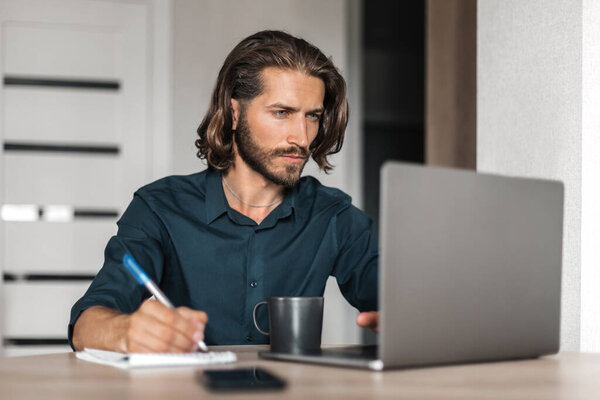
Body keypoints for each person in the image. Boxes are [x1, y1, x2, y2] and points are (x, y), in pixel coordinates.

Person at [70, 30, 379, 353]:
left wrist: (401, 317)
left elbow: (395, 301)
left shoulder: (334, 216)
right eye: (282, 113)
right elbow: (87, 324)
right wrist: (126, 331)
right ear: (235, 112)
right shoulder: (159, 208)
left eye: (312, 116)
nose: (301, 138)